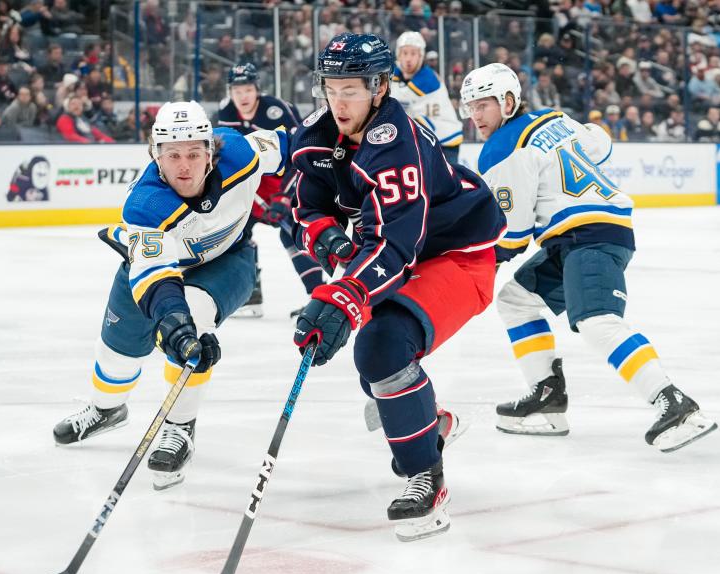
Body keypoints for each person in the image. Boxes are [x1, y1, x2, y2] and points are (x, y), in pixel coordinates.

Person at [289, 34, 506, 541]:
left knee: (383, 347)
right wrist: (329, 244)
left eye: (352, 90)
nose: (339, 102)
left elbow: (394, 244)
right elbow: (302, 208)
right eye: (331, 89)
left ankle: (424, 477)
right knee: (377, 368)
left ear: (380, 87)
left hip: (457, 255)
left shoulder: (395, 141)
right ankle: (430, 422)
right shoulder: (316, 135)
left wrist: (344, 294)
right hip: (405, 253)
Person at [459, 63, 718, 452]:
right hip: (585, 234)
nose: (476, 115)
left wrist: (475, 259)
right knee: (516, 300)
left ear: (508, 101)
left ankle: (675, 403)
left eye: (484, 105)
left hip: (588, 236)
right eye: (470, 107)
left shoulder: (500, 150)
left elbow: (513, 235)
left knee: (597, 321)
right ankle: (547, 397)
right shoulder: (554, 118)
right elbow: (601, 143)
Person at [52, 102, 289, 491]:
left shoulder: (242, 153)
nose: (185, 166)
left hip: (228, 262)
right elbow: (157, 282)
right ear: (155, 155)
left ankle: (180, 427)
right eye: (173, 155)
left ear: (211, 151)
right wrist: (174, 328)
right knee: (118, 351)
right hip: (157, 271)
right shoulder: (145, 206)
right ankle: (106, 409)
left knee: (192, 319)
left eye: (195, 154)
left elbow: (297, 145)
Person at [214, 62, 321, 317]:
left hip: (286, 181)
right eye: (237, 90)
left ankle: (319, 297)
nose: (242, 96)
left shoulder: (276, 110)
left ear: (257, 90)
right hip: (252, 186)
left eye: (247, 89)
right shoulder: (225, 110)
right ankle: (251, 296)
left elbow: (299, 154)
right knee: (237, 234)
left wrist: (285, 195)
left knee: (294, 236)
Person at [388, 31, 464, 164]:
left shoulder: (427, 78)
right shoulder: (397, 74)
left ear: (421, 56)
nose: (408, 58)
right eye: (404, 53)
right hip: (424, 139)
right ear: (398, 55)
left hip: (444, 141)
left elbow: (399, 99)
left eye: (413, 53)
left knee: (445, 184)